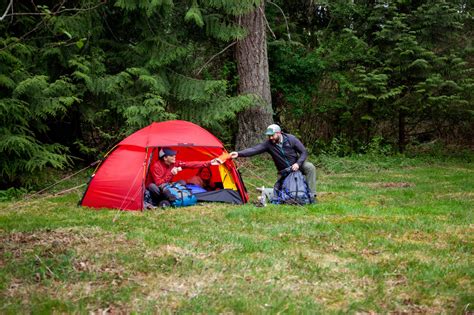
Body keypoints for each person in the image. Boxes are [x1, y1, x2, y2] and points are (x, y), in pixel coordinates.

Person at [230, 124, 317, 199]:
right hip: (284, 171)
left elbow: (304, 152)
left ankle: (311, 194)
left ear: (279, 133)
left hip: (297, 165)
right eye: (269, 136)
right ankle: (266, 190)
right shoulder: (269, 144)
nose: (271, 138)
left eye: (272, 135)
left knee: (310, 167)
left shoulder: (291, 139)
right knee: (281, 193)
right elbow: (254, 149)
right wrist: (238, 154)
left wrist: (298, 163)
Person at [148, 147, 220, 204]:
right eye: (171, 155)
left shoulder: (175, 163)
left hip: (168, 186)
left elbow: (191, 164)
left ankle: (176, 198)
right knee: (152, 186)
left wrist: (209, 162)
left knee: (182, 182)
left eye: (174, 155)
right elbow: (159, 183)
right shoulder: (156, 166)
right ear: (165, 158)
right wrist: (171, 173)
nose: (174, 156)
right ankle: (159, 201)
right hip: (159, 188)